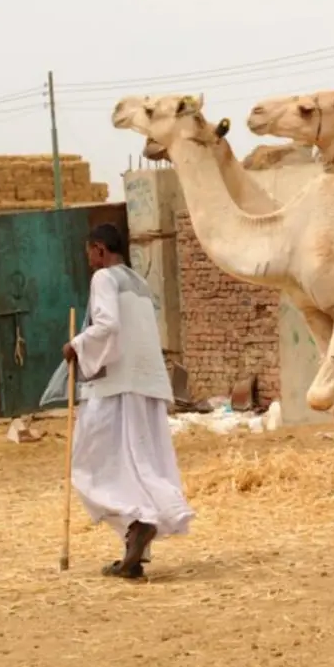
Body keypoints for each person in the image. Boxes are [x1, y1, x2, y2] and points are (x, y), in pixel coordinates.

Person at [62, 223, 194, 579]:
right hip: (147, 385)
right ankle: (134, 550)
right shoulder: (139, 283)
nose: (88, 259)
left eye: (90, 251)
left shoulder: (104, 279)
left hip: (118, 387)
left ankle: (138, 520)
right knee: (140, 463)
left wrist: (75, 346)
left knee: (91, 464)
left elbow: (107, 326)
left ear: (100, 249)